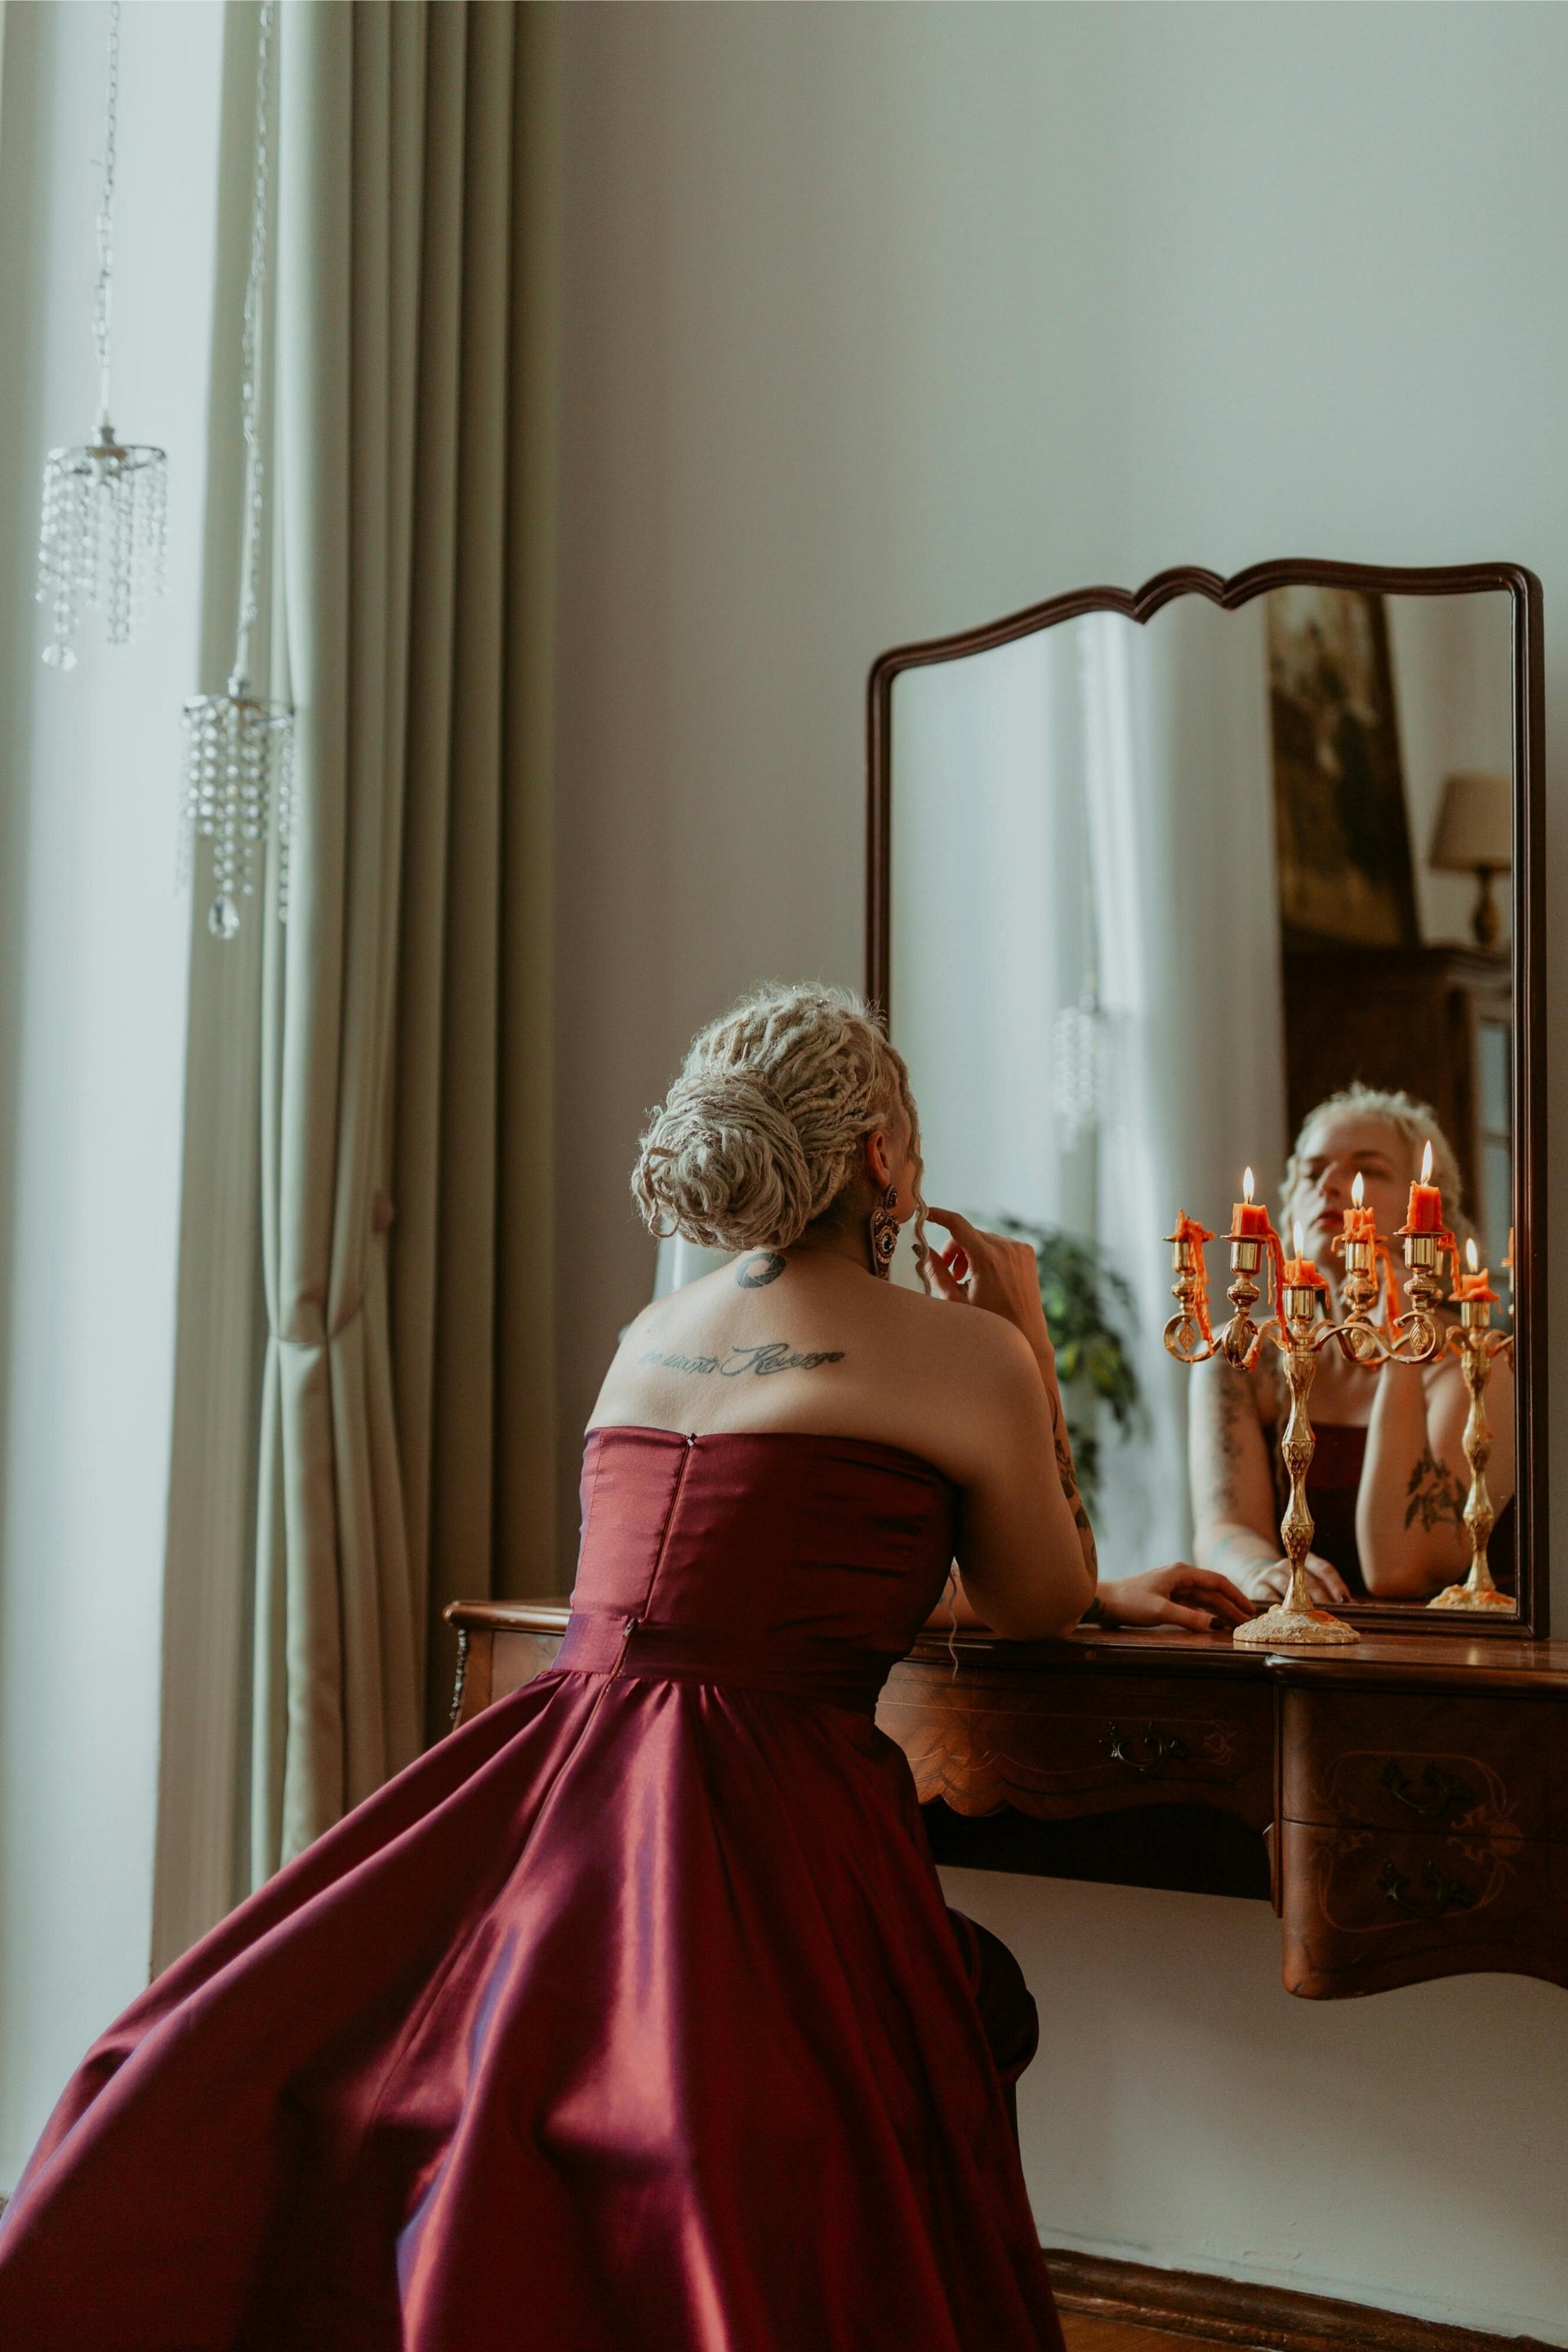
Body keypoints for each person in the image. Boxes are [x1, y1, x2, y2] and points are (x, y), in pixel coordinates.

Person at [0, 982, 1247, 2352]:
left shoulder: (646, 1341)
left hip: (559, 1793)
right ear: (882, 1158)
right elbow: (1033, 1605)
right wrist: (1021, 1338)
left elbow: (753, 1558)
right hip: (757, 1817)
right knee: (884, 2045)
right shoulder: (965, 1353)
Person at [1189, 1083, 1515, 1606]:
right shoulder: (1246, 1357)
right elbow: (1223, 1526)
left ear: (1428, 1215)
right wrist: (1256, 1571)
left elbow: (1400, 1572)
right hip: (1290, 1644)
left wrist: (1397, 1345)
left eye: (1368, 1170)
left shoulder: (1476, 1363)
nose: (1331, 1185)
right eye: (1312, 1173)